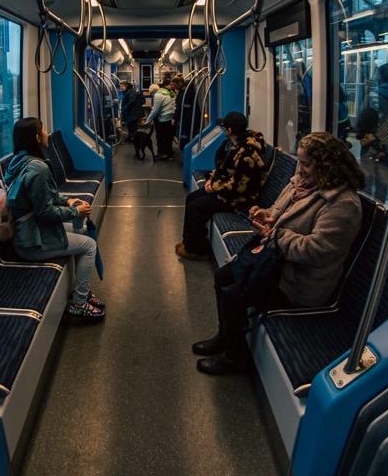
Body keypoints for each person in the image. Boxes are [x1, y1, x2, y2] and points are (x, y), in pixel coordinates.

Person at [192, 132, 364, 374]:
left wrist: (275, 235)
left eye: (306, 164)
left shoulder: (342, 204)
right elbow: (278, 212)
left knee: (233, 295)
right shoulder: (300, 185)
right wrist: (266, 215)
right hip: (276, 259)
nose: (300, 169)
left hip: (298, 279)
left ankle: (234, 358)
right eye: (299, 161)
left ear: (326, 166)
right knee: (222, 276)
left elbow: (317, 251)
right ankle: (224, 336)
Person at [4, 117, 105, 323]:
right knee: (89, 245)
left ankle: (81, 290)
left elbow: (43, 197)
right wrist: (76, 212)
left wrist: (68, 202)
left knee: (82, 230)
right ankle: (79, 304)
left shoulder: (19, 161)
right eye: (43, 130)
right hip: (32, 241)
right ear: (35, 137)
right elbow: (45, 212)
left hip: (31, 229)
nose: (47, 133)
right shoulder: (38, 169)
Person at [175, 112, 269, 261]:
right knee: (191, 198)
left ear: (230, 131)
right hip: (226, 190)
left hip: (238, 198)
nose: (223, 130)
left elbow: (239, 187)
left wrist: (214, 186)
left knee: (196, 207)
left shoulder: (248, 154)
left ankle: (197, 250)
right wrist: (211, 180)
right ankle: (190, 243)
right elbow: (225, 170)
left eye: (224, 127)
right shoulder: (234, 145)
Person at [146, 75, 177, 160]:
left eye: (151, 94)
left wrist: (147, 121)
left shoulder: (158, 95)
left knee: (161, 137)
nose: (152, 96)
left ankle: (162, 154)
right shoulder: (169, 92)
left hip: (164, 118)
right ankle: (169, 154)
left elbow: (155, 110)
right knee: (169, 137)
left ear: (153, 91)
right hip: (171, 117)